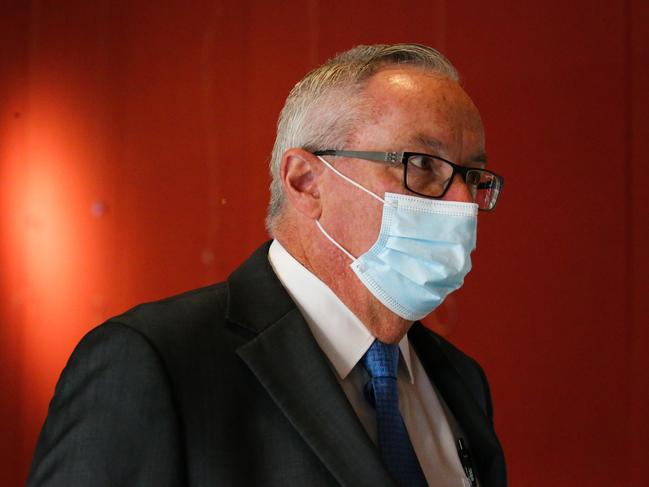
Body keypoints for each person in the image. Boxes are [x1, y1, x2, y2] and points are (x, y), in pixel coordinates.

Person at [28, 43, 506, 487]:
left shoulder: (459, 379)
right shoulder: (156, 362)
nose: (462, 202)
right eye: (421, 164)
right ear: (305, 182)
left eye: (472, 176)